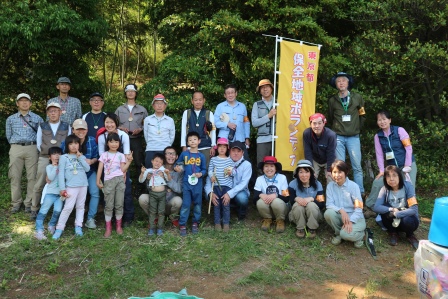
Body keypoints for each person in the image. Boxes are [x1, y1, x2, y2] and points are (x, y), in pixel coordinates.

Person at [365, 110, 417, 214]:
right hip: (392, 168)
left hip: (408, 164)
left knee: (409, 185)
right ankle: (370, 206)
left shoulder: (399, 130)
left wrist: (408, 165)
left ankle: (410, 210)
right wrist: (381, 170)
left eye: (384, 119)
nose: (382, 122)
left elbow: (408, 147)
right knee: (378, 182)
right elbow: (379, 154)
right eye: (379, 120)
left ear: (389, 120)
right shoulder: (378, 136)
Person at [327, 72, 366, 196]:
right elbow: (330, 117)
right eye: (339, 81)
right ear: (336, 84)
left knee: (357, 167)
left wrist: (356, 128)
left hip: (354, 137)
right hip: (338, 137)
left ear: (348, 83)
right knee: (339, 167)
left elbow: (362, 115)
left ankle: (360, 193)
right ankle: (342, 193)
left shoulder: (357, 97)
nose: (341, 83)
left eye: (344, 80)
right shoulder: (333, 100)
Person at [31, 102, 71, 219]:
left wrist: (60, 157)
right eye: (51, 111)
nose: (53, 113)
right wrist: (48, 154)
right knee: (39, 183)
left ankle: (60, 209)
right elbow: (38, 143)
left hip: (62, 158)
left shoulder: (66, 125)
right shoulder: (42, 125)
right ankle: (34, 208)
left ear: (60, 112)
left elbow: (68, 142)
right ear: (47, 113)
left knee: (62, 183)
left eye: (55, 111)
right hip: (45, 157)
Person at [6, 93, 43, 213]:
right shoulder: (10, 119)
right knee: (14, 176)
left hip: (32, 148)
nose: (24, 103)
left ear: (30, 103)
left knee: (32, 176)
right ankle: (16, 202)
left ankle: (29, 203)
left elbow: (41, 135)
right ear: (17, 103)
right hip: (16, 148)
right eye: (21, 101)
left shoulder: (37, 118)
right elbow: (8, 135)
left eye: (26, 101)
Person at [97, 113, 134, 227]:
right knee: (108, 195)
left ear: (116, 123)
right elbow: (101, 157)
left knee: (126, 193)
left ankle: (127, 218)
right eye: (107, 122)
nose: (109, 124)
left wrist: (124, 172)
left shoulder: (123, 135)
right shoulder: (102, 137)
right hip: (108, 171)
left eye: (112, 122)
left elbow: (127, 154)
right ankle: (110, 219)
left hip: (121, 168)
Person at [61, 119, 100, 229]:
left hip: (89, 171)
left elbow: (97, 157)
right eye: (78, 129)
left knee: (95, 192)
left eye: (83, 129)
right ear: (73, 130)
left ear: (87, 130)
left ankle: (90, 218)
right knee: (68, 193)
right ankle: (66, 217)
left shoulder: (92, 141)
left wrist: (91, 161)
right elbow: (61, 157)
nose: (80, 131)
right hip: (72, 174)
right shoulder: (67, 142)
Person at [52, 135, 90, 239]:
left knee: (80, 206)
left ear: (79, 144)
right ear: (67, 145)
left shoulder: (82, 156)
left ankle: (78, 226)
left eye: (76, 143)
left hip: (83, 185)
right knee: (68, 207)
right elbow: (60, 174)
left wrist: (80, 157)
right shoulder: (64, 157)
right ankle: (59, 228)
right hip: (71, 186)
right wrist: (62, 189)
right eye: (71, 143)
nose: (74, 146)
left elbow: (87, 169)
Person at [373, 165, 419, 249]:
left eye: (394, 175)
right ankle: (393, 233)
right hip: (393, 220)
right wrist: (391, 209)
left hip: (407, 219)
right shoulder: (384, 189)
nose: (391, 179)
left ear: (399, 176)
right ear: (385, 179)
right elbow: (376, 207)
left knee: (407, 219)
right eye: (388, 176)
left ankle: (410, 235)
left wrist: (397, 214)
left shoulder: (408, 186)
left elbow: (414, 209)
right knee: (384, 209)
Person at [205, 141, 252, 221]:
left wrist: (229, 193)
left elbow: (243, 184)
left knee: (242, 198)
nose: (236, 153)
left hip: (237, 191)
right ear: (229, 151)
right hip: (221, 189)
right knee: (209, 195)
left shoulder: (246, 164)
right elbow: (210, 178)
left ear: (243, 153)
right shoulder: (221, 160)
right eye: (233, 151)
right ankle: (218, 214)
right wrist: (210, 192)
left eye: (238, 151)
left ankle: (241, 213)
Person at [138, 146, 183, 228]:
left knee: (178, 200)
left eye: (173, 154)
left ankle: (173, 217)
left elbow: (179, 189)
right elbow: (149, 189)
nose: (170, 156)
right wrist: (148, 180)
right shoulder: (156, 168)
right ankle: (155, 217)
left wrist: (167, 179)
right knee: (142, 198)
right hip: (156, 202)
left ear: (176, 156)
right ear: (164, 156)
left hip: (169, 203)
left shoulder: (179, 171)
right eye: (168, 154)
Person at [324, 160, 366, 248]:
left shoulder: (353, 186)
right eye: (334, 172)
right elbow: (329, 204)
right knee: (328, 213)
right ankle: (339, 233)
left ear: (346, 172)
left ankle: (360, 235)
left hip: (356, 217)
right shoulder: (330, 186)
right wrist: (341, 211)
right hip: (341, 216)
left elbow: (359, 208)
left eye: (340, 172)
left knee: (346, 235)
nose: (337, 175)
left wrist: (351, 221)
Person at [175, 132, 207, 236]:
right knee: (186, 204)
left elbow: (204, 170)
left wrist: (200, 174)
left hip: (198, 184)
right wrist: (177, 168)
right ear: (187, 142)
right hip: (186, 183)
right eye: (190, 140)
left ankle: (195, 223)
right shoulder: (184, 154)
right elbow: (178, 164)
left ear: (199, 141)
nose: (192, 141)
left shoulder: (201, 156)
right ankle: (183, 224)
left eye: (194, 139)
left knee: (198, 204)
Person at [115, 84, 148, 175]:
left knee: (139, 162)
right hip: (122, 139)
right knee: (122, 162)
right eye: (128, 91)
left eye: (132, 91)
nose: (130, 93)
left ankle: (140, 186)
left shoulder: (142, 109)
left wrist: (140, 129)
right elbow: (113, 124)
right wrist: (120, 128)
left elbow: (147, 124)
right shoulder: (119, 109)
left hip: (136, 139)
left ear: (136, 93)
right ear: (125, 93)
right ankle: (123, 186)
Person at [288, 160, 325, 239]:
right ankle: (300, 228)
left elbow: (321, 205)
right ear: (297, 174)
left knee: (311, 205)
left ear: (311, 173)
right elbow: (289, 201)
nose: (304, 175)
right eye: (301, 172)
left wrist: (312, 199)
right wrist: (296, 198)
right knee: (298, 205)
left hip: (314, 215)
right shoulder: (292, 184)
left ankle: (312, 228)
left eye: (306, 172)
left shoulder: (318, 184)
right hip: (297, 215)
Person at [253, 156, 289, 233]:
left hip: (280, 209)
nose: (269, 169)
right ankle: (267, 219)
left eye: (272, 166)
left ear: (276, 169)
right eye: (266, 166)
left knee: (276, 201)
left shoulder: (282, 178)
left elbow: (286, 198)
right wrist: (261, 195)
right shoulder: (259, 179)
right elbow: (254, 198)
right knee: (260, 201)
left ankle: (280, 221)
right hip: (267, 209)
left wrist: (276, 195)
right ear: (263, 169)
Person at [34, 147, 63, 240]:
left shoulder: (63, 167)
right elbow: (50, 177)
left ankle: (52, 225)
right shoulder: (49, 167)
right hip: (50, 193)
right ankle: (39, 230)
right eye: (54, 154)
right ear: (50, 157)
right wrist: (55, 167)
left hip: (60, 195)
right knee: (43, 211)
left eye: (59, 154)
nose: (57, 156)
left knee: (58, 210)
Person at [214, 84, 250, 158]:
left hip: (240, 138)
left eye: (232, 92)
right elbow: (215, 122)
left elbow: (246, 123)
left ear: (236, 93)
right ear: (225, 95)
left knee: (244, 160)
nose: (230, 95)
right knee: (224, 162)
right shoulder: (220, 106)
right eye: (228, 93)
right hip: (224, 140)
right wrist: (227, 124)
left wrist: (247, 137)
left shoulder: (242, 106)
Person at [180, 91, 216, 166]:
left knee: (205, 168)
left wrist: (213, 146)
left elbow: (213, 131)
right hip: (190, 146)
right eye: (196, 100)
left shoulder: (209, 113)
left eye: (200, 100)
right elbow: (183, 129)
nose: (198, 102)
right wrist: (184, 145)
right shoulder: (187, 113)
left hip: (206, 146)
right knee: (191, 168)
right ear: (192, 101)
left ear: (204, 100)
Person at [139, 153, 170, 236]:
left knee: (161, 212)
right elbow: (141, 180)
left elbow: (169, 180)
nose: (158, 163)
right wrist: (142, 173)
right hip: (152, 194)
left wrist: (167, 174)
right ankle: (152, 228)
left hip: (162, 194)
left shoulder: (163, 170)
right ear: (152, 161)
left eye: (160, 162)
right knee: (152, 211)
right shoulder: (148, 171)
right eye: (156, 161)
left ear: (162, 164)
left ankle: (160, 228)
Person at [207, 138, 233, 232]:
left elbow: (234, 172)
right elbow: (210, 170)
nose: (222, 149)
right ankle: (217, 223)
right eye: (220, 147)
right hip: (216, 186)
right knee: (216, 205)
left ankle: (226, 223)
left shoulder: (229, 160)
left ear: (227, 148)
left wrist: (231, 173)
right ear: (217, 148)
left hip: (226, 186)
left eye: (224, 147)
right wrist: (211, 176)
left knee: (226, 205)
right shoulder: (213, 159)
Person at [303, 113, 336, 185]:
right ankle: (311, 195)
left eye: (319, 123)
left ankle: (330, 196)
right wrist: (311, 168)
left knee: (331, 177)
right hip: (315, 159)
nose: (317, 126)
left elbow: (331, 153)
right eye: (314, 123)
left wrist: (329, 170)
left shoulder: (331, 135)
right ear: (310, 124)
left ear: (324, 123)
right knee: (310, 176)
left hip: (328, 159)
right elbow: (307, 152)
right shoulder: (307, 133)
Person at [144, 94, 175, 168]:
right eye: (157, 103)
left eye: (161, 103)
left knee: (164, 172)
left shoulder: (170, 120)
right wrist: (151, 144)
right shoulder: (147, 119)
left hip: (165, 149)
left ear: (165, 105)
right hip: (151, 148)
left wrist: (167, 146)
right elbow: (146, 135)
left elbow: (172, 136)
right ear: (153, 105)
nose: (159, 106)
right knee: (150, 172)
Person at [251, 79, 277, 165]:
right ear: (260, 91)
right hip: (262, 140)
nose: (265, 89)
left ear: (271, 88)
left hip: (277, 139)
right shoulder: (257, 104)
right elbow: (254, 123)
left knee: (278, 166)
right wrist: (268, 116)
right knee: (261, 166)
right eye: (262, 88)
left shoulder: (278, 103)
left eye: (267, 87)